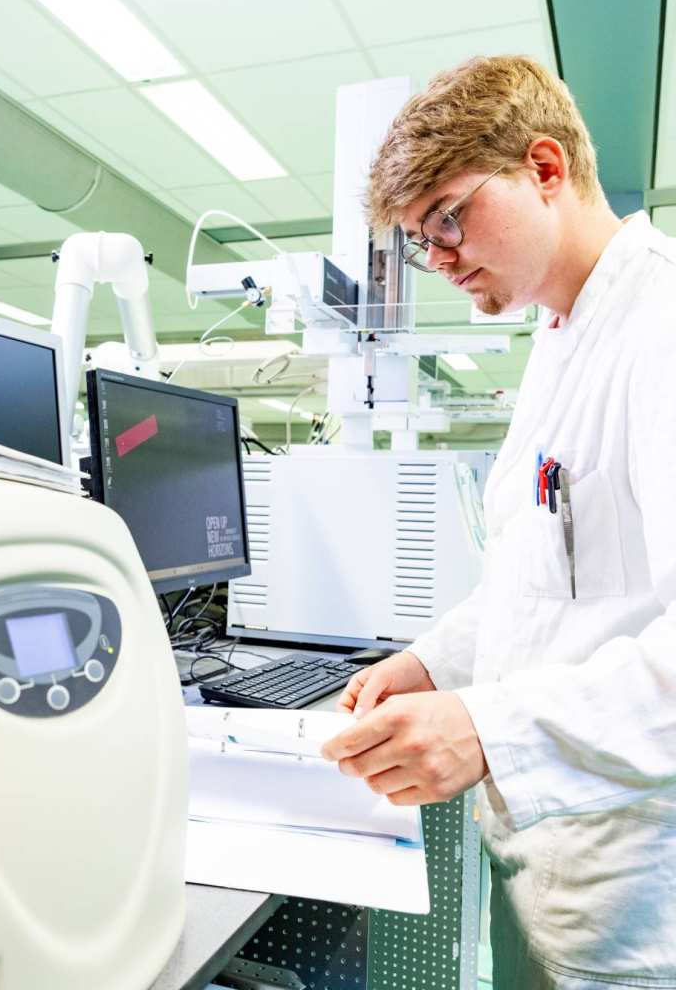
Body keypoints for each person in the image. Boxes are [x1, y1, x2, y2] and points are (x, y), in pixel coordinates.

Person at [320, 55, 676, 990]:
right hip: (550, 872)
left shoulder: (663, 326)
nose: (435, 258)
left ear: (546, 169)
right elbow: (537, 582)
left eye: (447, 216)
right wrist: (430, 664)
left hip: (638, 905)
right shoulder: (560, 337)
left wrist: (490, 730)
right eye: (417, 239)